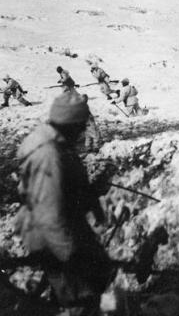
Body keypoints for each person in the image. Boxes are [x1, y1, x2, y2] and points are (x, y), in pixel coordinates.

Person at [15, 92, 113, 314]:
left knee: (98, 273)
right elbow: (48, 215)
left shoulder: (59, 144)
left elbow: (71, 180)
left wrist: (91, 200)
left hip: (67, 224)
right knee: (81, 296)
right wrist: (71, 256)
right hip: (51, 234)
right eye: (80, 126)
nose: (81, 132)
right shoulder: (48, 155)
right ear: (70, 124)